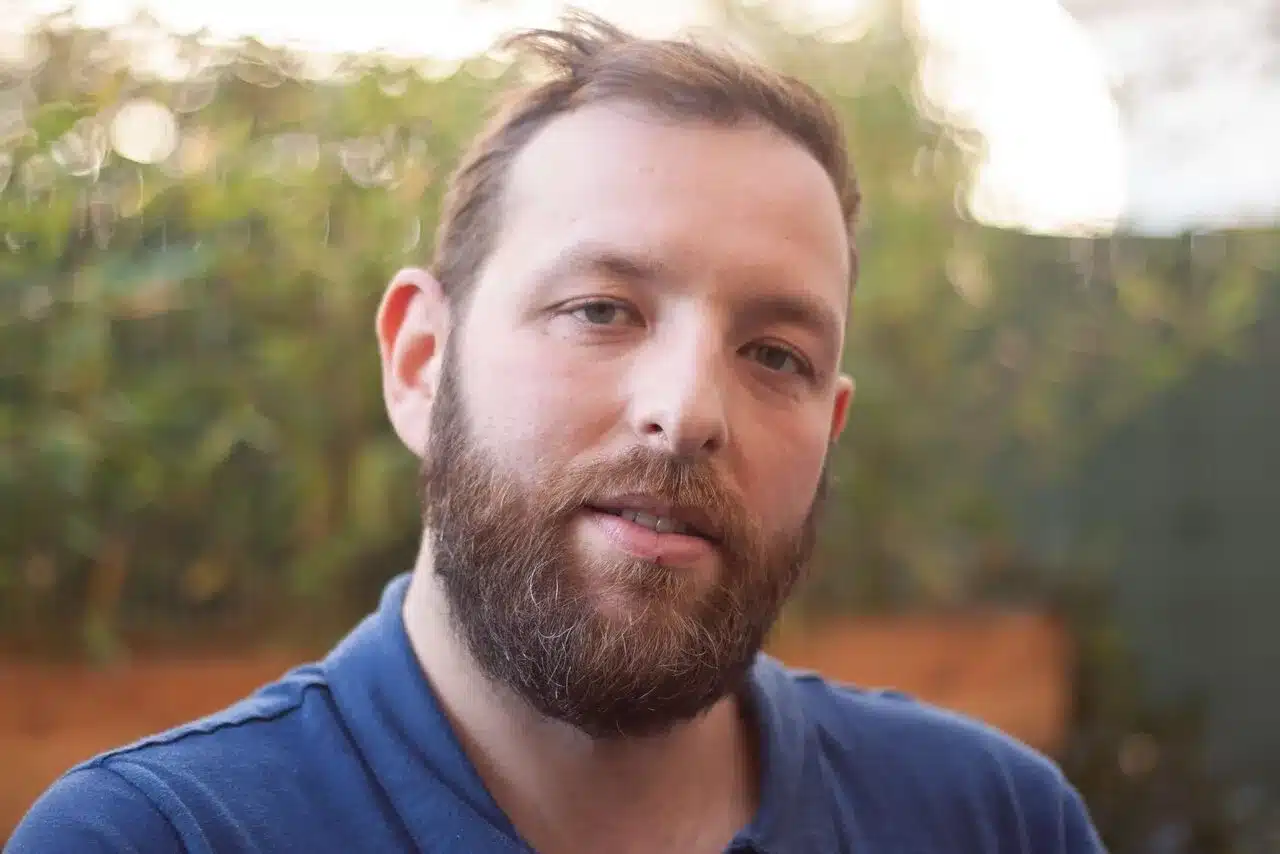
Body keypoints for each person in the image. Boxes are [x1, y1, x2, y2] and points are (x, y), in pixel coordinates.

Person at [8, 11, 1106, 854]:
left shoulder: (990, 818)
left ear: (830, 426)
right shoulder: (158, 838)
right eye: (599, 309)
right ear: (418, 362)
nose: (686, 411)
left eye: (774, 353)